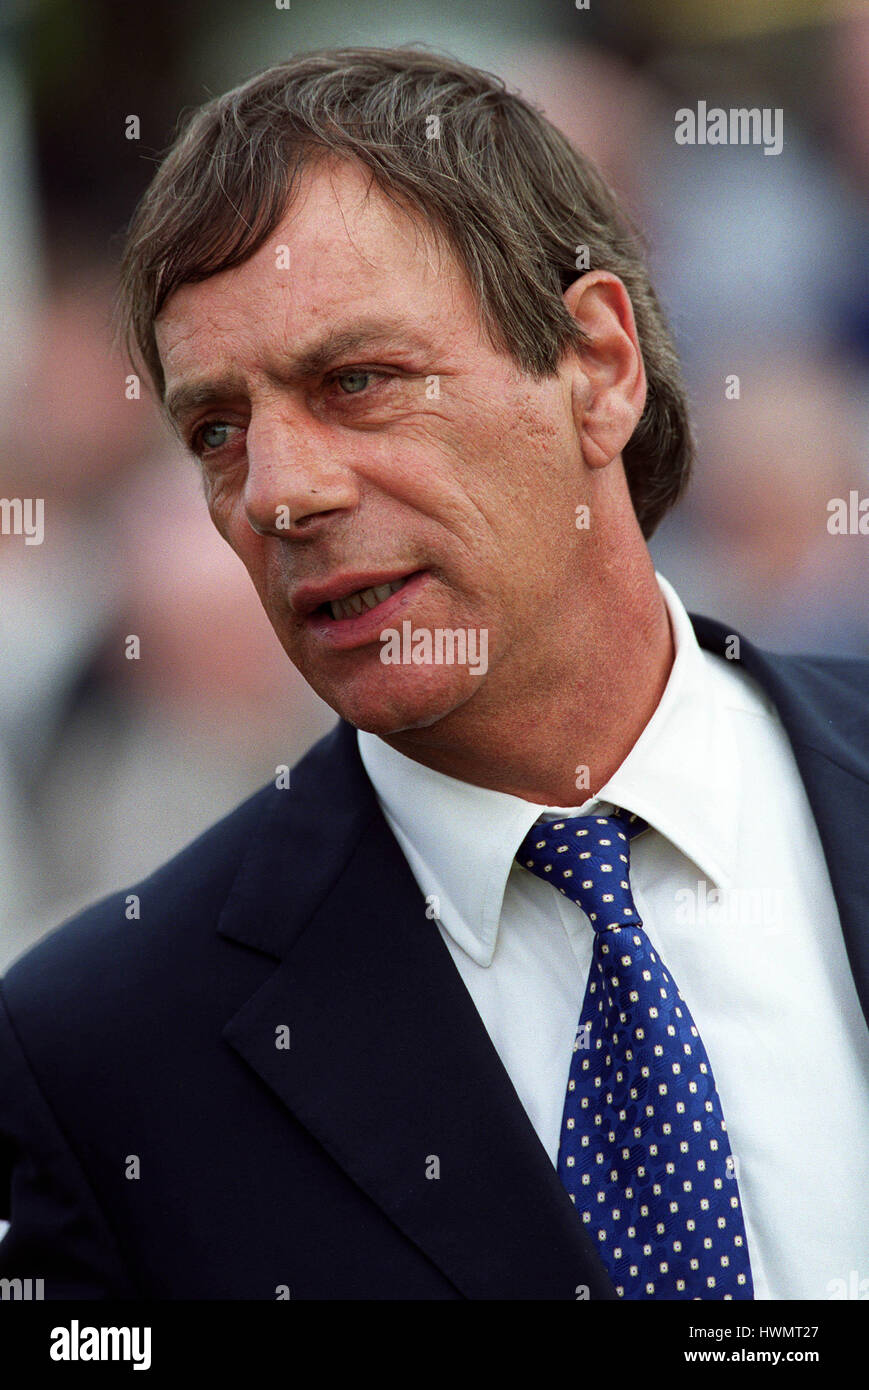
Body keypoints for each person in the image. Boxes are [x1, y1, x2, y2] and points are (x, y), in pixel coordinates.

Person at [1, 47, 866, 1302]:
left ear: (597, 367)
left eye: (355, 381)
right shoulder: (98, 1058)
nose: (280, 492)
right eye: (217, 432)